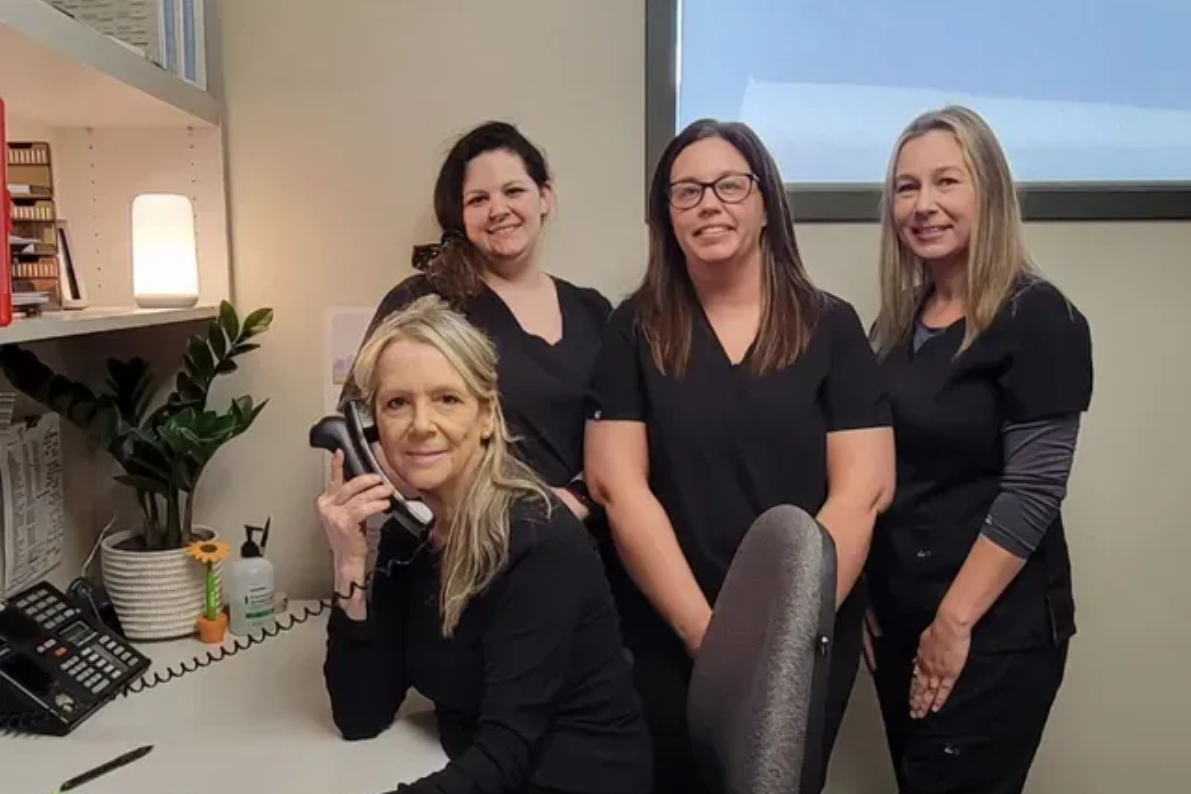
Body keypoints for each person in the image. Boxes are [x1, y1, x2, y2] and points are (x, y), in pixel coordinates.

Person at [583, 118, 896, 794]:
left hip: (804, 637)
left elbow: (862, 492)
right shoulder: (631, 328)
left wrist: (783, 640)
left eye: (729, 185)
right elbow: (616, 487)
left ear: (763, 205)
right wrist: (710, 637)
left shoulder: (831, 326)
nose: (708, 204)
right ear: (665, 215)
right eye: (686, 191)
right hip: (668, 624)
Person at [319, 295, 653, 794]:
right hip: (479, 765)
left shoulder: (538, 540)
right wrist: (349, 559)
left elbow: (507, 754)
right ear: (371, 431)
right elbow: (360, 713)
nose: (421, 424)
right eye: (397, 403)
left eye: (446, 399)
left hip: (573, 779)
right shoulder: (410, 533)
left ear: (487, 415)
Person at [863, 105, 1094, 794]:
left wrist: (951, 623)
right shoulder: (895, 325)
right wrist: (871, 591)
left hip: (991, 631)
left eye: (945, 183)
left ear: (988, 192)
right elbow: (880, 471)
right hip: (905, 616)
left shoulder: (1037, 317)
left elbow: (1033, 490)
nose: (923, 205)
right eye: (906, 188)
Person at [343, 120, 612, 529]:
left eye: (514, 191)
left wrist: (573, 500)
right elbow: (360, 436)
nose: (498, 210)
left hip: (591, 548)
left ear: (545, 197)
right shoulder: (425, 302)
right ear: (460, 216)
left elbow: (625, 434)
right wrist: (471, 512)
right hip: (469, 549)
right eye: (478, 199)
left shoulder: (594, 312)